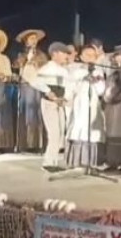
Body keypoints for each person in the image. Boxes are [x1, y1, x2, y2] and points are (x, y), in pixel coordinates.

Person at [29, 41, 74, 172]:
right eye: (63, 53)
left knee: (60, 132)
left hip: (59, 103)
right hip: (50, 103)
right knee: (54, 132)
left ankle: (54, 161)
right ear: (55, 54)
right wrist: (48, 91)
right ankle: (48, 162)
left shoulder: (64, 70)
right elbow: (35, 81)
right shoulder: (47, 68)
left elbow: (68, 86)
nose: (66, 56)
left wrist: (65, 98)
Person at [65, 45, 106, 168]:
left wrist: (96, 82)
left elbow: (101, 90)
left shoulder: (98, 71)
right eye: (87, 55)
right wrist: (83, 79)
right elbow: (70, 88)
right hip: (80, 104)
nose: (90, 58)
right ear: (81, 56)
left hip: (93, 104)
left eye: (93, 55)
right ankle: (77, 162)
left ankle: (90, 162)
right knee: (79, 129)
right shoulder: (75, 70)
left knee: (91, 131)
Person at [14, 29, 48, 151]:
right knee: (25, 112)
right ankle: (24, 143)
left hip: (37, 86)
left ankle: (37, 143)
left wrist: (36, 62)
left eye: (35, 38)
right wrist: (26, 59)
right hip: (25, 85)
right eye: (31, 39)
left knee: (37, 113)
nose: (34, 41)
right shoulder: (21, 55)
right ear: (26, 42)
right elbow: (16, 66)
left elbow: (45, 68)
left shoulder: (41, 55)